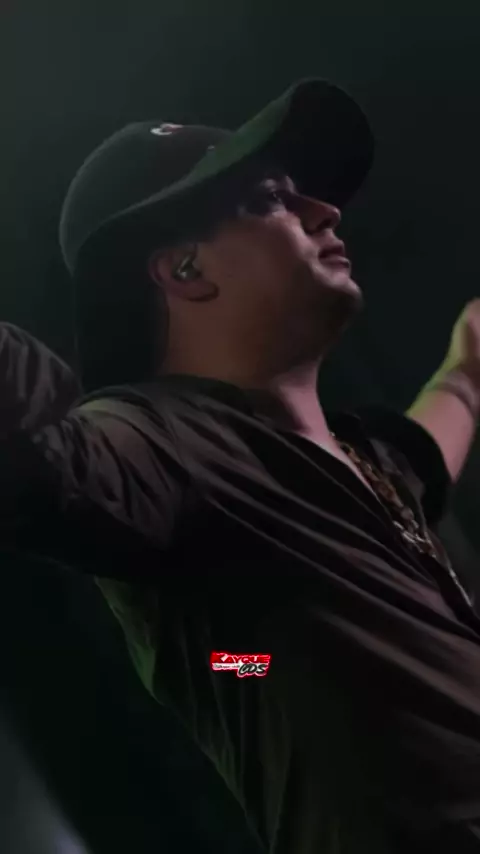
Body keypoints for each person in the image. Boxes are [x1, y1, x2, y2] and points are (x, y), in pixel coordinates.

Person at [3, 78, 480, 854]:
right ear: (186, 270)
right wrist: (250, 663)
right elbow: (36, 459)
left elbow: (426, 450)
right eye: (270, 200)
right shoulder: (163, 443)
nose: (324, 210)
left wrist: (466, 373)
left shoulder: (370, 462)